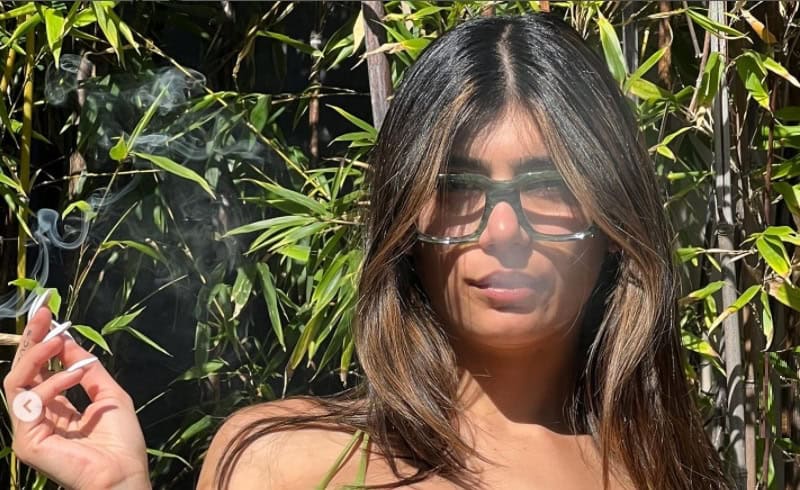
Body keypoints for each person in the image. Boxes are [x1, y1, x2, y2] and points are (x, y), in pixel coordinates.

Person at [3, 13, 732, 490]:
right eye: (457, 189)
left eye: (549, 188)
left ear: (612, 218)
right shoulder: (281, 461)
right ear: (404, 223)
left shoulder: (672, 476)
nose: (503, 232)